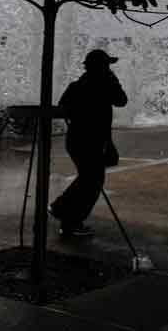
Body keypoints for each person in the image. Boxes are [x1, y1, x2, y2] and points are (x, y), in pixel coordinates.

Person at [50, 49, 128, 238]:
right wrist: (113, 80)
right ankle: (67, 217)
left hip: (76, 140)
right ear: (102, 67)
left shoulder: (76, 86)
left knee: (88, 179)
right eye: (107, 66)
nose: (109, 69)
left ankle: (63, 211)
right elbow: (122, 101)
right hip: (91, 142)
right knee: (91, 181)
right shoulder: (105, 85)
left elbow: (62, 110)